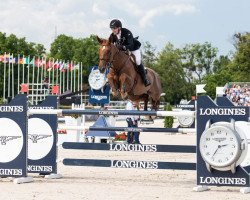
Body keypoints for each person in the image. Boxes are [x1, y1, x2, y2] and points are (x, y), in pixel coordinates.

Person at [109, 19, 151, 87]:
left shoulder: (127, 32)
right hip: (122, 52)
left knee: (138, 61)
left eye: (114, 28)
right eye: (112, 28)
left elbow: (130, 45)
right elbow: (109, 45)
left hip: (133, 49)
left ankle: (145, 79)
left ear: (119, 28)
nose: (113, 30)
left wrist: (123, 47)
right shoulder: (113, 35)